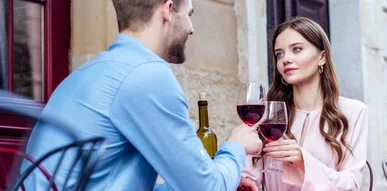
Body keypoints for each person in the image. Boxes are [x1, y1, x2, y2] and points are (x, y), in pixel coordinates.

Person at [22, 0, 262, 190]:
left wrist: (225, 174)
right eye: (190, 14)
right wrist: (235, 147)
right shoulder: (148, 75)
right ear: (168, 10)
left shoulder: (86, 73)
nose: (191, 28)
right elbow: (209, 188)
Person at [239, 17, 369, 191]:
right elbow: (249, 177)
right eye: (279, 54)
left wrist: (303, 160)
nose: (286, 59)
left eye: (297, 49)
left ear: (322, 57)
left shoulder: (353, 112)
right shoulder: (267, 116)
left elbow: (351, 185)